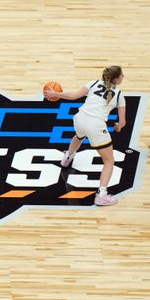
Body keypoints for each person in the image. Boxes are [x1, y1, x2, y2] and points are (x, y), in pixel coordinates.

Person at [44, 66, 126, 206]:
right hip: (96, 126)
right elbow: (122, 122)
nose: (123, 76)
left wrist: (56, 94)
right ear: (117, 79)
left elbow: (73, 96)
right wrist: (118, 126)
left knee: (79, 136)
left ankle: (67, 158)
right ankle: (102, 195)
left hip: (80, 118)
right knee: (109, 161)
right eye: (122, 75)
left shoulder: (93, 83)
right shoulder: (119, 95)